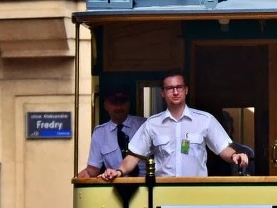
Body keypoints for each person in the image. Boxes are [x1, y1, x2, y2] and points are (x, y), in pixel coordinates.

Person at [100, 70, 248, 180]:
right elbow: (134, 156)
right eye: (170, 88)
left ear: (186, 90)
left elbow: (223, 149)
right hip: (163, 194)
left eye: (179, 87)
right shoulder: (152, 124)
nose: (175, 92)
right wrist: (118, 172)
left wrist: (236, 155)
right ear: (163, 93)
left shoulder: (205, 120)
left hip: (196, 193)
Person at [77, 85, 146, 179]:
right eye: (114, 102)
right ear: (106, 105)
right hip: (115, 185)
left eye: (122, 102)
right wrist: (85, 175)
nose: (118, 107)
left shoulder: (144, 125)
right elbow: (93, 169)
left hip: (144, 185)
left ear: (128, 103)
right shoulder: (100, 133)